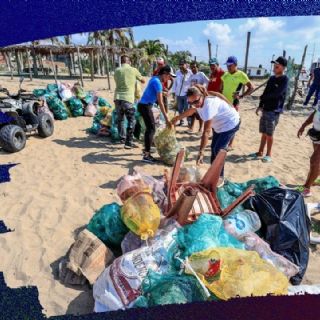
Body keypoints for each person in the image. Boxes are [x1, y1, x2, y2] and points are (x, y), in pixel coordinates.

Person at [171, 85, 240, 182]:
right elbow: (192, 110)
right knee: (214, 149)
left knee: (218, 151)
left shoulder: (208, 106)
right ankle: (214, 173)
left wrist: (201, 152)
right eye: (190, 102)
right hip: (219, 125)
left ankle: (219, 178)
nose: (195, 104)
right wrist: (178, 118)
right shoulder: (199, 100)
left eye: (196, 101)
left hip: (230, 124)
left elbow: (206, 132)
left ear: (201, 96)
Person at [249, 56, 288, 163]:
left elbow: (277, 93)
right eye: (274, 64)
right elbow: (265, 92)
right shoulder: (271, 78)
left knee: (270, 134)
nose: (275, 66)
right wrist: (260, 105)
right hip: (265, 109)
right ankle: (260, 152)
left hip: (274, 110)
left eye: (277, 64)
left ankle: (268, 154)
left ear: (283, 67)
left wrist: (264, 97)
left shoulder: (284, 79)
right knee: (264, 133)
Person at [138, 65, 176, 163]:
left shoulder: (154, 79)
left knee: (150, 128)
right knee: (151, 129)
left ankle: (147, 149)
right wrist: (167, 118)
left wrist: (163, 93)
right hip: (145, 106)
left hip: (144, 105)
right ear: (164, 74)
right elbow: (161, 102)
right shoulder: (158, 82)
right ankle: (146, 155)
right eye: (169, 76)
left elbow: (155, 92)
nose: (169, 78)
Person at [221, 56, 254, 149]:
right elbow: (221, 87)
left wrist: (241, 96)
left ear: (235, 65)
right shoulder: (226, 74)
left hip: (233, 103)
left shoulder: (241, 75)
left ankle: (230, 144)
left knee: (232, 122)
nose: (228, 67)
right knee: (224, 122)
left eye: (230, 65)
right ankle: (224, 141)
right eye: (227, 65)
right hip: (224, 103)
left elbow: (251, 87)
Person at [114, 55, 145, 149]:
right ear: (129, 62)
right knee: (132, 120)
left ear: (121, 62)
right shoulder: (133, 70)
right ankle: (128, 142)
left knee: (120, 119)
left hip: (117, 98)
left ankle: (122, 138)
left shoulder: (117, 70)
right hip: (128, 99)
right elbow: (143, 80)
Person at [296, 104, 320, 197]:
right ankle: (313, 181)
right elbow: (315, 113)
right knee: (317, 163)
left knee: (314, 161)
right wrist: (304, 125)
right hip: (316, 134)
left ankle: (307, 188)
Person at [189, 61, 209, 133]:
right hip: (192, 97)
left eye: (194, 67)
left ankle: (200, 129)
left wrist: (202, 87)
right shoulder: (191, 76)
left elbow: (207, 81)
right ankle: (191, 128)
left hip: (199, 98)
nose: (193, 69)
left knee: (200, 113)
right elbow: (189, 85)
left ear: (197, 67)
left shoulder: (201, 74)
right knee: (193, 113)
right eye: (191, 68)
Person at [172, 59, 193, 126]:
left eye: (182, 65)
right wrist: (174, 92)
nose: (181, 66)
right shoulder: (177, 72)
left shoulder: (190, 72)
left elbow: (192, 82)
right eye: (180, 65)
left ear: (185, 65)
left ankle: (189, 121)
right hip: (179, 94)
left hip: (187, 94)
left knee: (187, 108)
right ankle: (181, 121)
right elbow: (175, 82)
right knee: (180, 108)